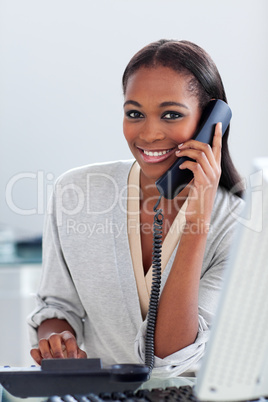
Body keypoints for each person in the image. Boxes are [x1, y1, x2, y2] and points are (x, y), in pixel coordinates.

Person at [28, 39, 244, 377]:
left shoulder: (236, 224)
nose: (149, 133)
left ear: (210, 122)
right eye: (135, 114)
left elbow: (169, 358)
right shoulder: (76, 192)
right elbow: (57, 305)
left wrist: (197, 218)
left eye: (171, 114)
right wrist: (58, 338)